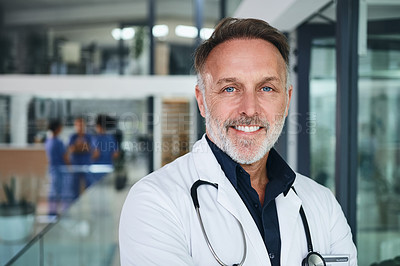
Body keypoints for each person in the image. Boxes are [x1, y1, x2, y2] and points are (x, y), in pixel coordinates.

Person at [119, 17, 358, 266]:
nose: (249, 108)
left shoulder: (322, 203)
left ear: (287, 100)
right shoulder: (154, 203)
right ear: (202, 101)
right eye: (230, 89)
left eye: (266, 88)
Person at [44, 119, 68, 215]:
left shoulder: (48, 141)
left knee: (53, 192)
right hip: (60, 170)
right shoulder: (58, 142)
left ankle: (52, 213)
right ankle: (57, 213)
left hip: (52, 169)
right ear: (57, 128)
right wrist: (70, 168)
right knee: (60, 193)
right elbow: (65, 157)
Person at [66, 116, 93, 196]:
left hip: (86, 166)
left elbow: (89, 148)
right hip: (75, 166)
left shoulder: (89, 137)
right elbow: (72, 149)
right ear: (75, 126)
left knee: (89, 187)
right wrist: (83, 146)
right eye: (78, 125)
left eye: (82, 125)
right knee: (74, 188)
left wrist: (78, 146)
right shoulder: (72, 137)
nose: (80, 127)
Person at [90, 114, 119, 183]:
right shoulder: (111, 138)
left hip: (97, 169)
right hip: (108, 168)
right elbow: (116, 154)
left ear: (98, 126)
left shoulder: (95, 139)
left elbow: (96, 154)